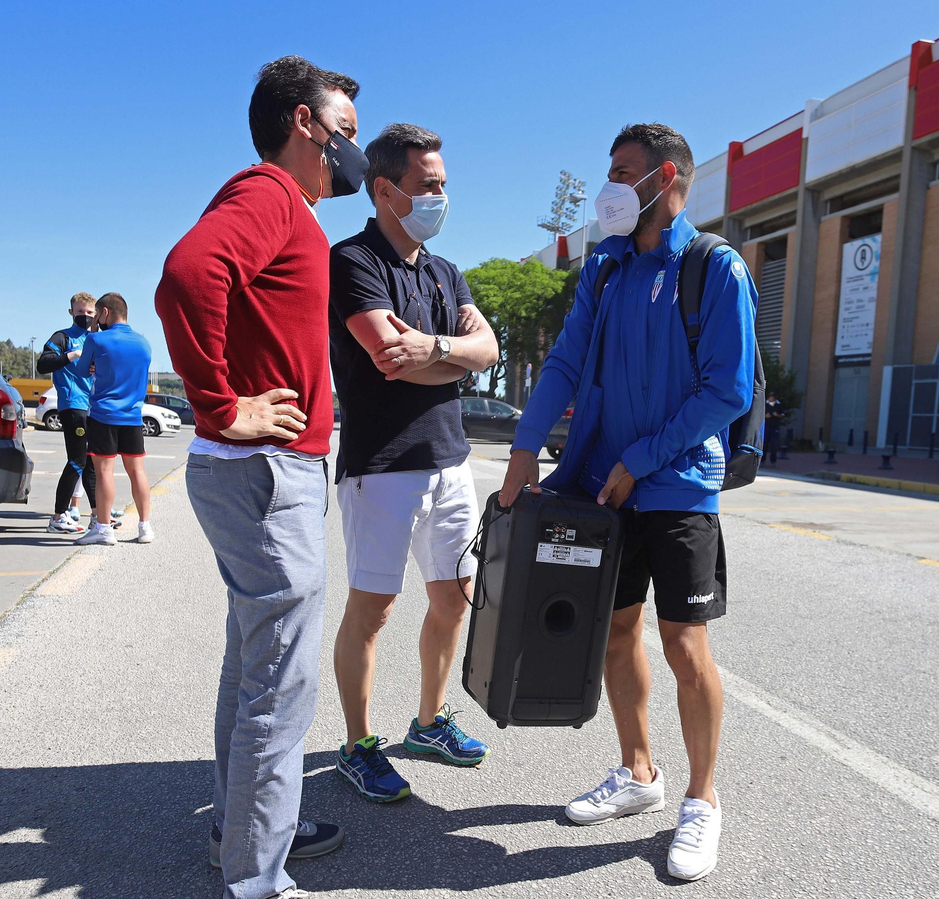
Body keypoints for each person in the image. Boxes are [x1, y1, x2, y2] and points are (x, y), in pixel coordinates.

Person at [500, 123, 756, 883]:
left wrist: (639, 461)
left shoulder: (714, 268)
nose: (609, 186)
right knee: (613, 633)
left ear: (665, 176)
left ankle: (703, 799)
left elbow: (728, 391)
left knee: (684, 644)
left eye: (622, 172)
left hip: (675, 487)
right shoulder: (605, 270)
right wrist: (523, 450)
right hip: (601, 489)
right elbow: (567, 362)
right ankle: (638, 770)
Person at [154, 55, 359, 899]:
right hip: (265, 469)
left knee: (254, 665)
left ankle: (241, 831)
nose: (352, 143)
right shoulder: (270, 194)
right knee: (282, 677)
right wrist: (222, 404)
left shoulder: (286, 207)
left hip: (259, 471)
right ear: (303, 123)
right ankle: (255, 876)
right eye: (343, 127)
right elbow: (187, 274)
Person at [328, 123, 501, 803]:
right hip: (382, 465)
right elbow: (383, 358)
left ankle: (428, 723)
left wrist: (433, 351)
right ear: (384, 189)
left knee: (453, 598)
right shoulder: (353, 261)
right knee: (372, 611)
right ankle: (357, 744)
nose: (440, 197)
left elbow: (482, 351)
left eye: (443, 185)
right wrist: (452, 355)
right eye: (429, 186)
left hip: (450, 460)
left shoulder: (444, 270)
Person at [74, 293, 154, 546]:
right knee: (137, 471)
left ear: (105, 312)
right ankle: (145, 527)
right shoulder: (144, 343)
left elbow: (80, 372)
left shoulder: (96, 339)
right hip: (132, 416)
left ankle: (104, 529)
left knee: (104, 472)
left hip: (103, 415)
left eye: (97, 314)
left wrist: (95, 334)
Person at [36, 292, 99, 534]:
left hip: (92, 406)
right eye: (80, 312)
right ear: (71, 312)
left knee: (90, 462)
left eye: (89, 313)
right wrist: (73, 355)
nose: (85, 317)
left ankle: (97, 516)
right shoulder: (63, 337)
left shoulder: (95, 338)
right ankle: (58, 516)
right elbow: (44, 364)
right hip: (73, 404)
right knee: (77, 460)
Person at [763, 392, 784, 468]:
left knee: (774, 445)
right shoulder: (765, 404)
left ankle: (773, 461)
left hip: (775, 427)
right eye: (770, 397)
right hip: (766, 427)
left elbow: (783, 415)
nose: (771, 398)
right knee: (764, 444)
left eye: (772, 397)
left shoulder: (778, 405)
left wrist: (777, 415)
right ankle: (762, 461)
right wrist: (765, 416)